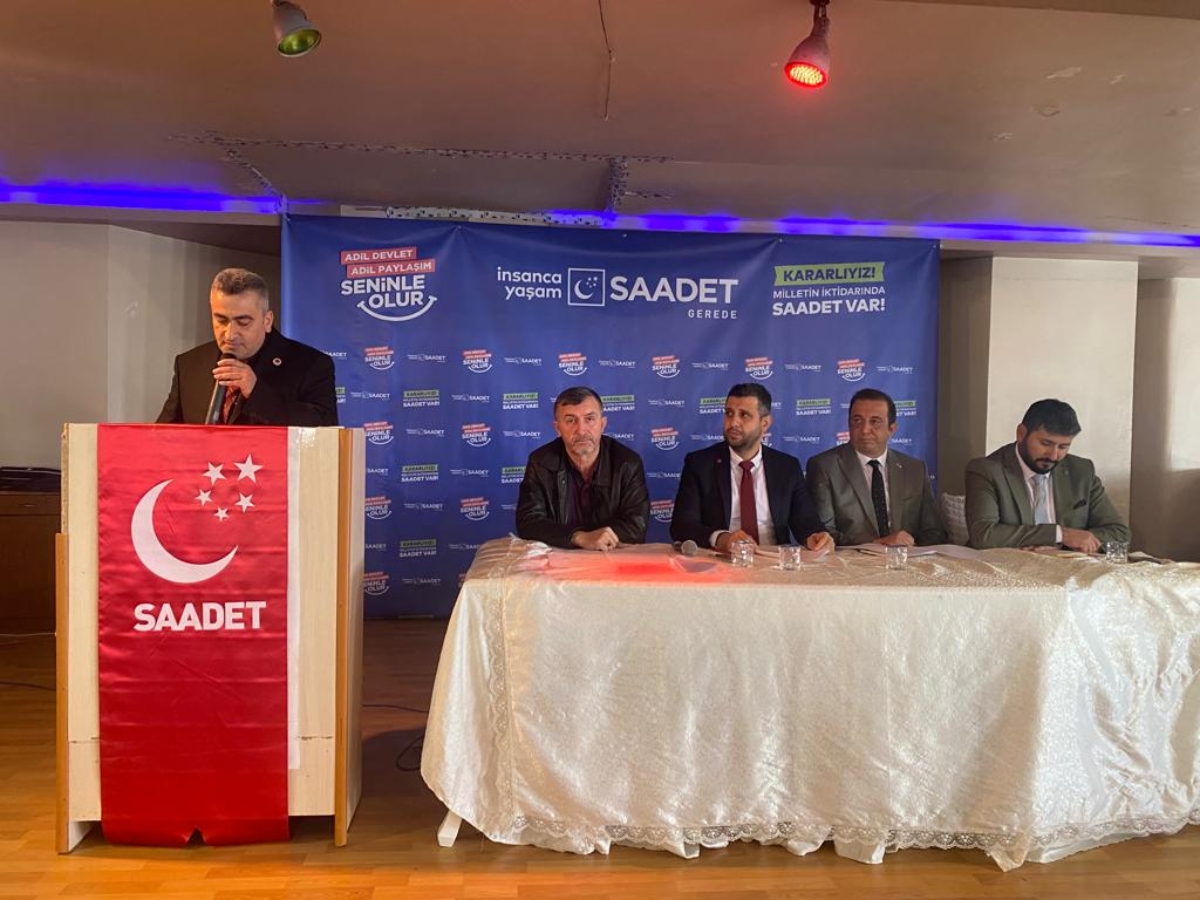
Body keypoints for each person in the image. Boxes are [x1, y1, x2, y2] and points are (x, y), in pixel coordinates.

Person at [157, 268, 338, 426]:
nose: (229, 334)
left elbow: (325, 428)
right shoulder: (188, 364)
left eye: (243, 322)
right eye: (221, 320)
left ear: (267, 320)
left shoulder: (310, 364)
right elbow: (163, 436)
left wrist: (257, 392)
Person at [671, 383, 833, 553]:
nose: (733, 422)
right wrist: (722, 539)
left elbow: (805, 520)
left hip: (773, 560)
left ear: (765, 423)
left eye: (744, 415)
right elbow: (681, 526)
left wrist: (815, 536)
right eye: (729, 413)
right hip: (722, 559)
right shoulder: (700, 464)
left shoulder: (787, 467)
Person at [964, 398, 1130, 552]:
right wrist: (1059, 535)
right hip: (1006, 569)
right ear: (1021, 433)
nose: (1053, 455)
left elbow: (1119, 533)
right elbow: (984, 536)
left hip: (1068, 569)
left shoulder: (1082, 471)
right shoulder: (986, 470)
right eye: (1045, 443)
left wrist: (1068, 544)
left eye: (1063, 447)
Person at [805, 388, 946, 546]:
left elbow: (934, 531)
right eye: (857, 420)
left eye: (875, 422)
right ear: (849, 424)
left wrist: (910, 549)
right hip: (851, 559)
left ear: (892, 429)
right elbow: (823, 534)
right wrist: (877, 544)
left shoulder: (915, 469)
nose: (865, 430)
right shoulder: (825, 467)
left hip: (907, 557)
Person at [515, 387, 650, 550]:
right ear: (558, 428)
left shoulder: (627, 463)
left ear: (602, 424)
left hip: (611, 555)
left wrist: (599, 539)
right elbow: (528, 522)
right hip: (560, 556)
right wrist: (578, 537)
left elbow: (636, 527)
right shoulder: (540, 462)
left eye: (590, 419)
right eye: (571, 421)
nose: (581, 430)